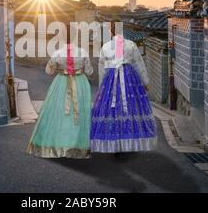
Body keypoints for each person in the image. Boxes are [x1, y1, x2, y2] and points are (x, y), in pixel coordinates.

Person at [26, 26, 93, 159]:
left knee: (59, 113)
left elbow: (49, 71)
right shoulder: (83, 52)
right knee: (79, 114)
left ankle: (58, 145)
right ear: (75, 36)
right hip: (80, 83)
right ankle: (77, 146)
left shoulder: (57, 53)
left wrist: (61, 68)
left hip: (61, 83)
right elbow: (89, 71)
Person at [90, 22, 157, 154]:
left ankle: (114, 140)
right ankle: (129, 139)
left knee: (112, 109)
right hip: (129, 79)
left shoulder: (106, 46)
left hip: (110, 80)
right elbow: (139, 64)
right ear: (123, 30)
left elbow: (102, 68)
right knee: (130, 108)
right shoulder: (131, 45)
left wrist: (102, 87)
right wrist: (145, 82)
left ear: (111, 31)